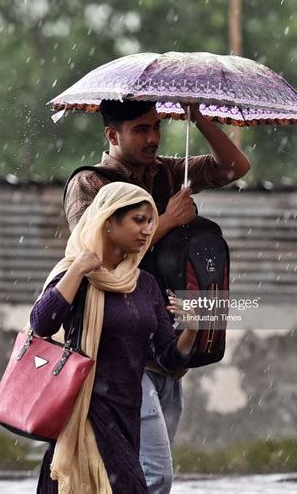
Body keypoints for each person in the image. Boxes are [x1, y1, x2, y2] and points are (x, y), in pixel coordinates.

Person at [64, 99, 251, 493]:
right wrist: (167, 220)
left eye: (156, 127)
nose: (152, 137)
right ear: (112, 135)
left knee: (132, 475)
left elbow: (235, 167)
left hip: (166, 348)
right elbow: (94, 257)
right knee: (151, 474)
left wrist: (197, 115)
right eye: (140, 130)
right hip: (117, 350)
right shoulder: (91, 184)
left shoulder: (168, 171)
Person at [30, 182, 199, 494]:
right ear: (109, 221)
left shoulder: (144, 284)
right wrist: (78, 270)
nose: (148, 229)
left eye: (151, 221)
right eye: (138, 220)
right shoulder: (76, 272)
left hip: (126, 410)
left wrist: (191, 330)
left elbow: (167, 355)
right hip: (85, 410)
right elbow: (42, 323)